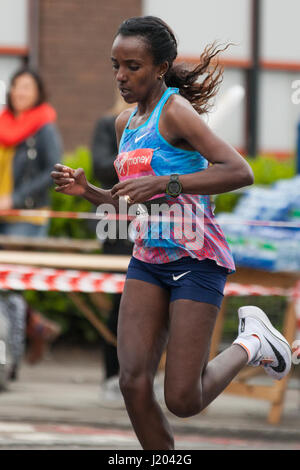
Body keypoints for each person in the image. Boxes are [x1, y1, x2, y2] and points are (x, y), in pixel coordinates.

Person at [51, 16, 292, 450]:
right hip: (149, 258)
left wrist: (167, 183)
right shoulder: (125, 123)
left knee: (182, 398)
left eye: (133, 66)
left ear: (160, 67)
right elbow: (130, 204)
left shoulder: (176, 112)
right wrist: (88, 192)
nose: (121, 76)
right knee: (133, 382)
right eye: (116, 66)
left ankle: (254, 340)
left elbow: (240, 171)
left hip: (196, 258)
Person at [0, 68, 62, 379]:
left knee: (10, 286)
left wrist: (16, 198)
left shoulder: (43, 126)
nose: (20, 92)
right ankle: (35, 327)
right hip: (1, 212)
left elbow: (53, 170)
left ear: (38, 92)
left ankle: (11, 363)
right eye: (16, 86)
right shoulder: (4, 124)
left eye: (27, 87)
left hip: (25, 214)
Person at [91, 93, 134, 400]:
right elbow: (100, 167)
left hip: (156, 224)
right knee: (121, 305)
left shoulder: (166, 125)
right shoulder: (108, 124)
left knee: (156, 309)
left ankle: (143, 376)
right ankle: (112, 375)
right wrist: (141, 161)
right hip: (118, 225)